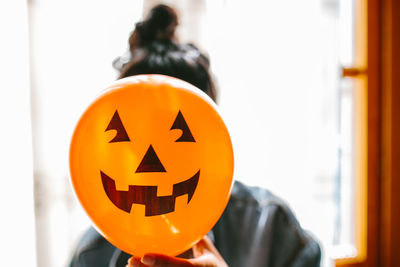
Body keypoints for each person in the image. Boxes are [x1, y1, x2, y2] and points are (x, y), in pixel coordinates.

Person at [69, 5, 321, 267]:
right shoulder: (91, 253)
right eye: (128, 135)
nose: (151, 162)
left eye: (179, 135)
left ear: (215, 136)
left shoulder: (270, 226)